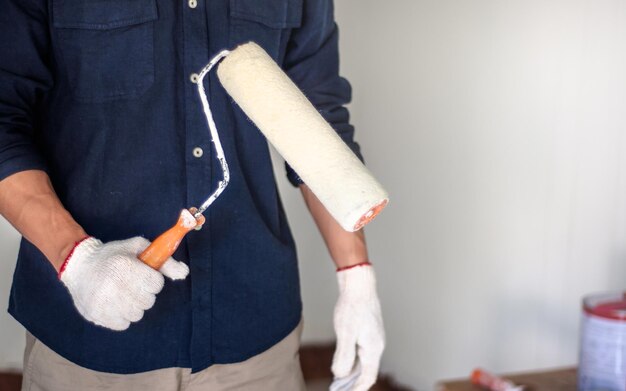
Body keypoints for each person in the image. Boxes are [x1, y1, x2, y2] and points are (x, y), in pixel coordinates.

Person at [0, 0, 384, 390]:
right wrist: (75, 259)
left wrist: (356, 274)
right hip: (88, 340)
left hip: (254, 332)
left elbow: (319, 115)